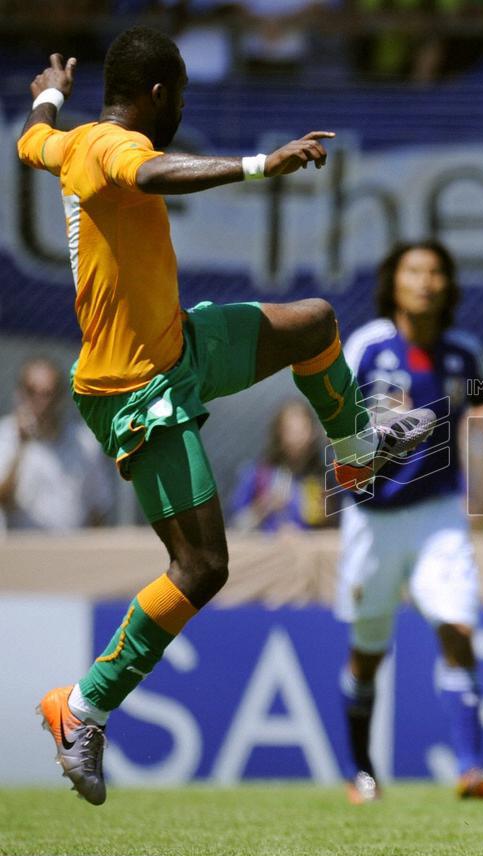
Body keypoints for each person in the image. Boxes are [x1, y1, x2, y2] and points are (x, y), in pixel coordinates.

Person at [16, 27, 434, 806]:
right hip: (135, 394)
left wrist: (47, 93)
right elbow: (155, 171)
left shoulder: (69, 140)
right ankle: (81, 709)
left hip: (180, 348)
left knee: (312, 323)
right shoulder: (110, 148)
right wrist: (258, 163)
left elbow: (29, 140)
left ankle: (354, 452)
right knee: (203, 568)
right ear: (161, 96)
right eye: (181, 98)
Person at [335, 239, 483, 803]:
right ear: (393, 281)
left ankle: (473, 767)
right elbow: (335, 416)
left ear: (449, 284)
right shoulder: (369, 346)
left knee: (458, 628)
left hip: (438, 515)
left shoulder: (464, 352)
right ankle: (361, 772)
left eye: (436, 271)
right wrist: (375, 433)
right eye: (413, 271)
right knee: (368, 651)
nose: (426, 281)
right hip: (371, 517)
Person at [0, 357, 115, 531]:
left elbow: (98, 508)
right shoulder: (6, 434)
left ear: (60, 397)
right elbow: (3, 499)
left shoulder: (85, 442)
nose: (40, 402)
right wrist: (21, 446)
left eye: (47, 393)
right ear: (20, 393)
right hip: (21, 549)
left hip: (71, 550)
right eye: (32, 391)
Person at [228, 398, 328, 532]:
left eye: (303, 429)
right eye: (291, 430)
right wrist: (264, 506)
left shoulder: (323, 476)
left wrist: (327, 513)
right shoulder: (259, 474)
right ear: (279, 433)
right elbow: (236, 524)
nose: (298, 436)